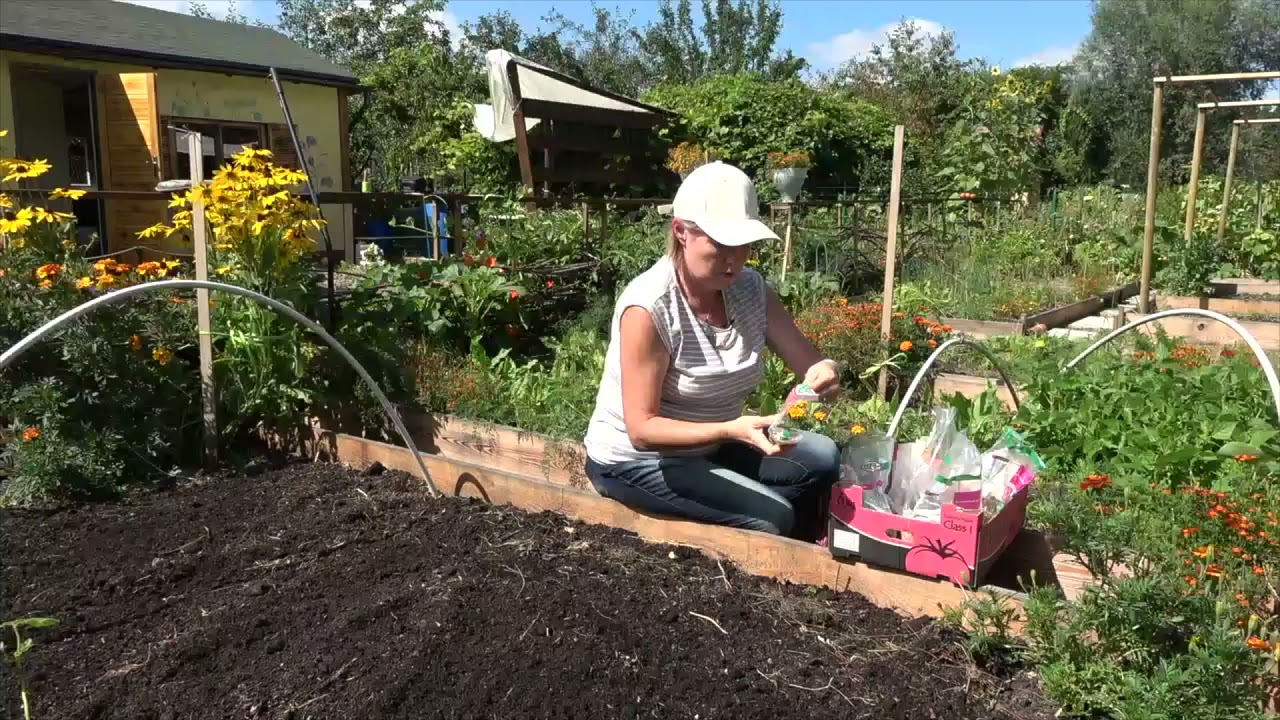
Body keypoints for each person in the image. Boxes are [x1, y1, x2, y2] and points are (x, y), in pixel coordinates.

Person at [583, 161, 842, 541]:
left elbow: (812, 364)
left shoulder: (751, 291)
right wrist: (730, 429)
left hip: (714, 444)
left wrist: (827, 372)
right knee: (774, 518)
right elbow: (642, 430)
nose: (734, 258)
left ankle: (750, 512)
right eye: (721, 244)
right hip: (639, 461)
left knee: (823, 457)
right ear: (681, 232)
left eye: (744, 245)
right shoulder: (649, 307)